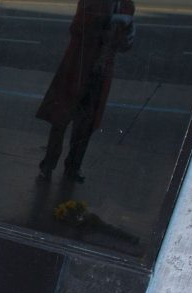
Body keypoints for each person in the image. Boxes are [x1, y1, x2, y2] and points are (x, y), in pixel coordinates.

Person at [36, 0, 136, 183]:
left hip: (100, 73)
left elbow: (123, 45)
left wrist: (128, 32)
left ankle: (73, 167)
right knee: (60, 120)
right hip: (77, 68)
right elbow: (77, 28)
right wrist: (111, 20)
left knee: (86, 126)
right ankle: (48, 166)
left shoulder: (127, 5)